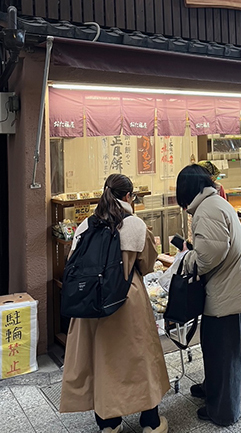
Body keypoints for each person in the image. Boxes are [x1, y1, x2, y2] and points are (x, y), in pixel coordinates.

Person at [60, 174, 170, 433]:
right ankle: (151, 423)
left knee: (101, 361)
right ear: (129, 197)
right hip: (126, 301)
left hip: (91, 304)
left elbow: (72, 260)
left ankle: (108, 424)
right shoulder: (135, 225)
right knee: (139, 359)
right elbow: (146, 264)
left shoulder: (85, 225)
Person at [176, 164, 241, 427]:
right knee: (215, 347)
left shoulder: (208, 209)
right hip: (228, 287)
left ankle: (224, 411)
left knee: (223, 353)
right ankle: (212, 388)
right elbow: (214, 246)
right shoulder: (214, 203)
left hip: (226, 292)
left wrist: (187, 259)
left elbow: (209, 255)